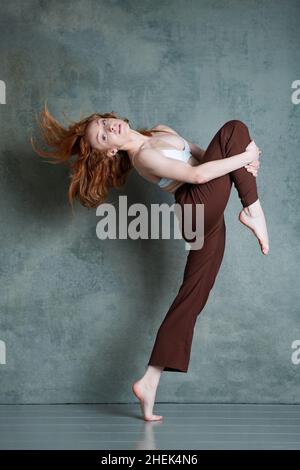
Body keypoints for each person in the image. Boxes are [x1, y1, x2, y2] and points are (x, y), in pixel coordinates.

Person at [31, 104, 269, 422]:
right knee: (234, 128)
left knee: (192, 296)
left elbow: (206, 157)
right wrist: (246, 156)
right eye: (102, 137)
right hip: (194, 206)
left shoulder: (159, 130)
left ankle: (148, 383)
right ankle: (253, 211)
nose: (108, 128)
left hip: (204, 209)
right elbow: (197, 175)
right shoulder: (143, 156)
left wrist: (243, 163)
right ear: (110, 151)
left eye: (104, 123)